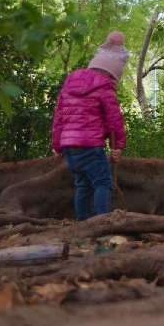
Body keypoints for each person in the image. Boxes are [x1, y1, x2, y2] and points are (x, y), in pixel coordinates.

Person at [52, 31, 129, 222]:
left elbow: (59, 116)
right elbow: (114, 119)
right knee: (102, 182)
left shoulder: (70, 82)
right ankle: (101, 223)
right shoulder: (104, 86)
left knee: (83, 186)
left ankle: (83, 224)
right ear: (113, 74)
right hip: (90, 146)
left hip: (70, 148)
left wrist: (57, 145)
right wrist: (118, 146)